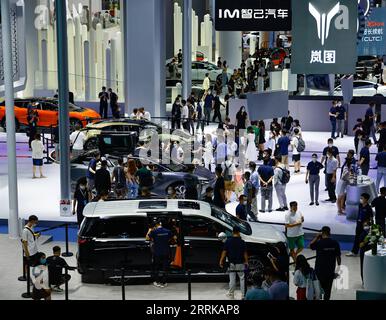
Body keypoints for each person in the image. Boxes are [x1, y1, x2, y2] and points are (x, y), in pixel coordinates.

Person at [309, 226, 341, 301]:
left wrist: (316, 237)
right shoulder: (335, 243)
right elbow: (338, 257)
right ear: (330, 233)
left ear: (322, 233)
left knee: (317, 290)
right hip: (330, 271)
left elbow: (310, 246)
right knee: (327, 291)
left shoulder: (319, 243)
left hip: (319, 271)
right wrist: (338, 267)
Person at [219, 226, 249, 300]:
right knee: (242, 278)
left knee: (232, 279)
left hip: (231, 263)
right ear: (239, 233)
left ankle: (231, 294)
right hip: (240, 263)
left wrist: (221, 260)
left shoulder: (228, 241)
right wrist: (246, 261)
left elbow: (224, 252)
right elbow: (245, 253)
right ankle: (243, 295)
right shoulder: (242, 242)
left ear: (232, 232)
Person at [147, 220, 174, 288]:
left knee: (156, 267)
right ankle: (164, 282)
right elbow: (173, 239)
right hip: (166, 252)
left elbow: (147, 238)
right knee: (165, 267)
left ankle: (157, 282)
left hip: (157, 252)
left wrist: (150, 229)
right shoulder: (168, 231)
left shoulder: (154, 231)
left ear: (156, 225)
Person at [359, 219, 372, 284]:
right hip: (363, 253)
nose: (365, 227)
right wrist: (365, 241)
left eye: (366, 225)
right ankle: (364, 281)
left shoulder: (373, 233)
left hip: (371, 253)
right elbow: (360, 245)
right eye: (364, 226)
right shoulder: (362, 234)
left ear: (370, 226)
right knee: (363, 267)